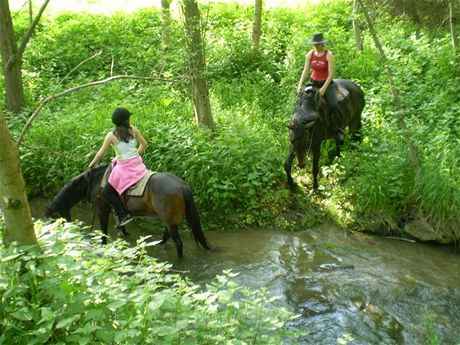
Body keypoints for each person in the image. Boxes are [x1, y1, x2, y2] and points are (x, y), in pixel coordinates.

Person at [88, 107, 148, 227]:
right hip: (137, 165)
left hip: (123, 169)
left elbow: (100, 154)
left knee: (106, 192)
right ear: (126, 120)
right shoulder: (133, 130)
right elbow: (144, 144)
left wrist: (92, 164)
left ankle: (123, 214)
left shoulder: (111, 135)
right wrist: (134, 155)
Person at [296, 32, 344, 142]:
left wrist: (324, 88)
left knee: (333, 104)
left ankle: (339, 129)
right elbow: (305, 71)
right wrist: (300, 85)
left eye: (318, 44)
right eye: (314, 44)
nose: (316, 46)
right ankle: (299, 125)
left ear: (322, 43)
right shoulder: (309, 55)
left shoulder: (328, 55)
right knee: (301, 99)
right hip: (313, 82)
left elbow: (331, 75)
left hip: (326, 82)